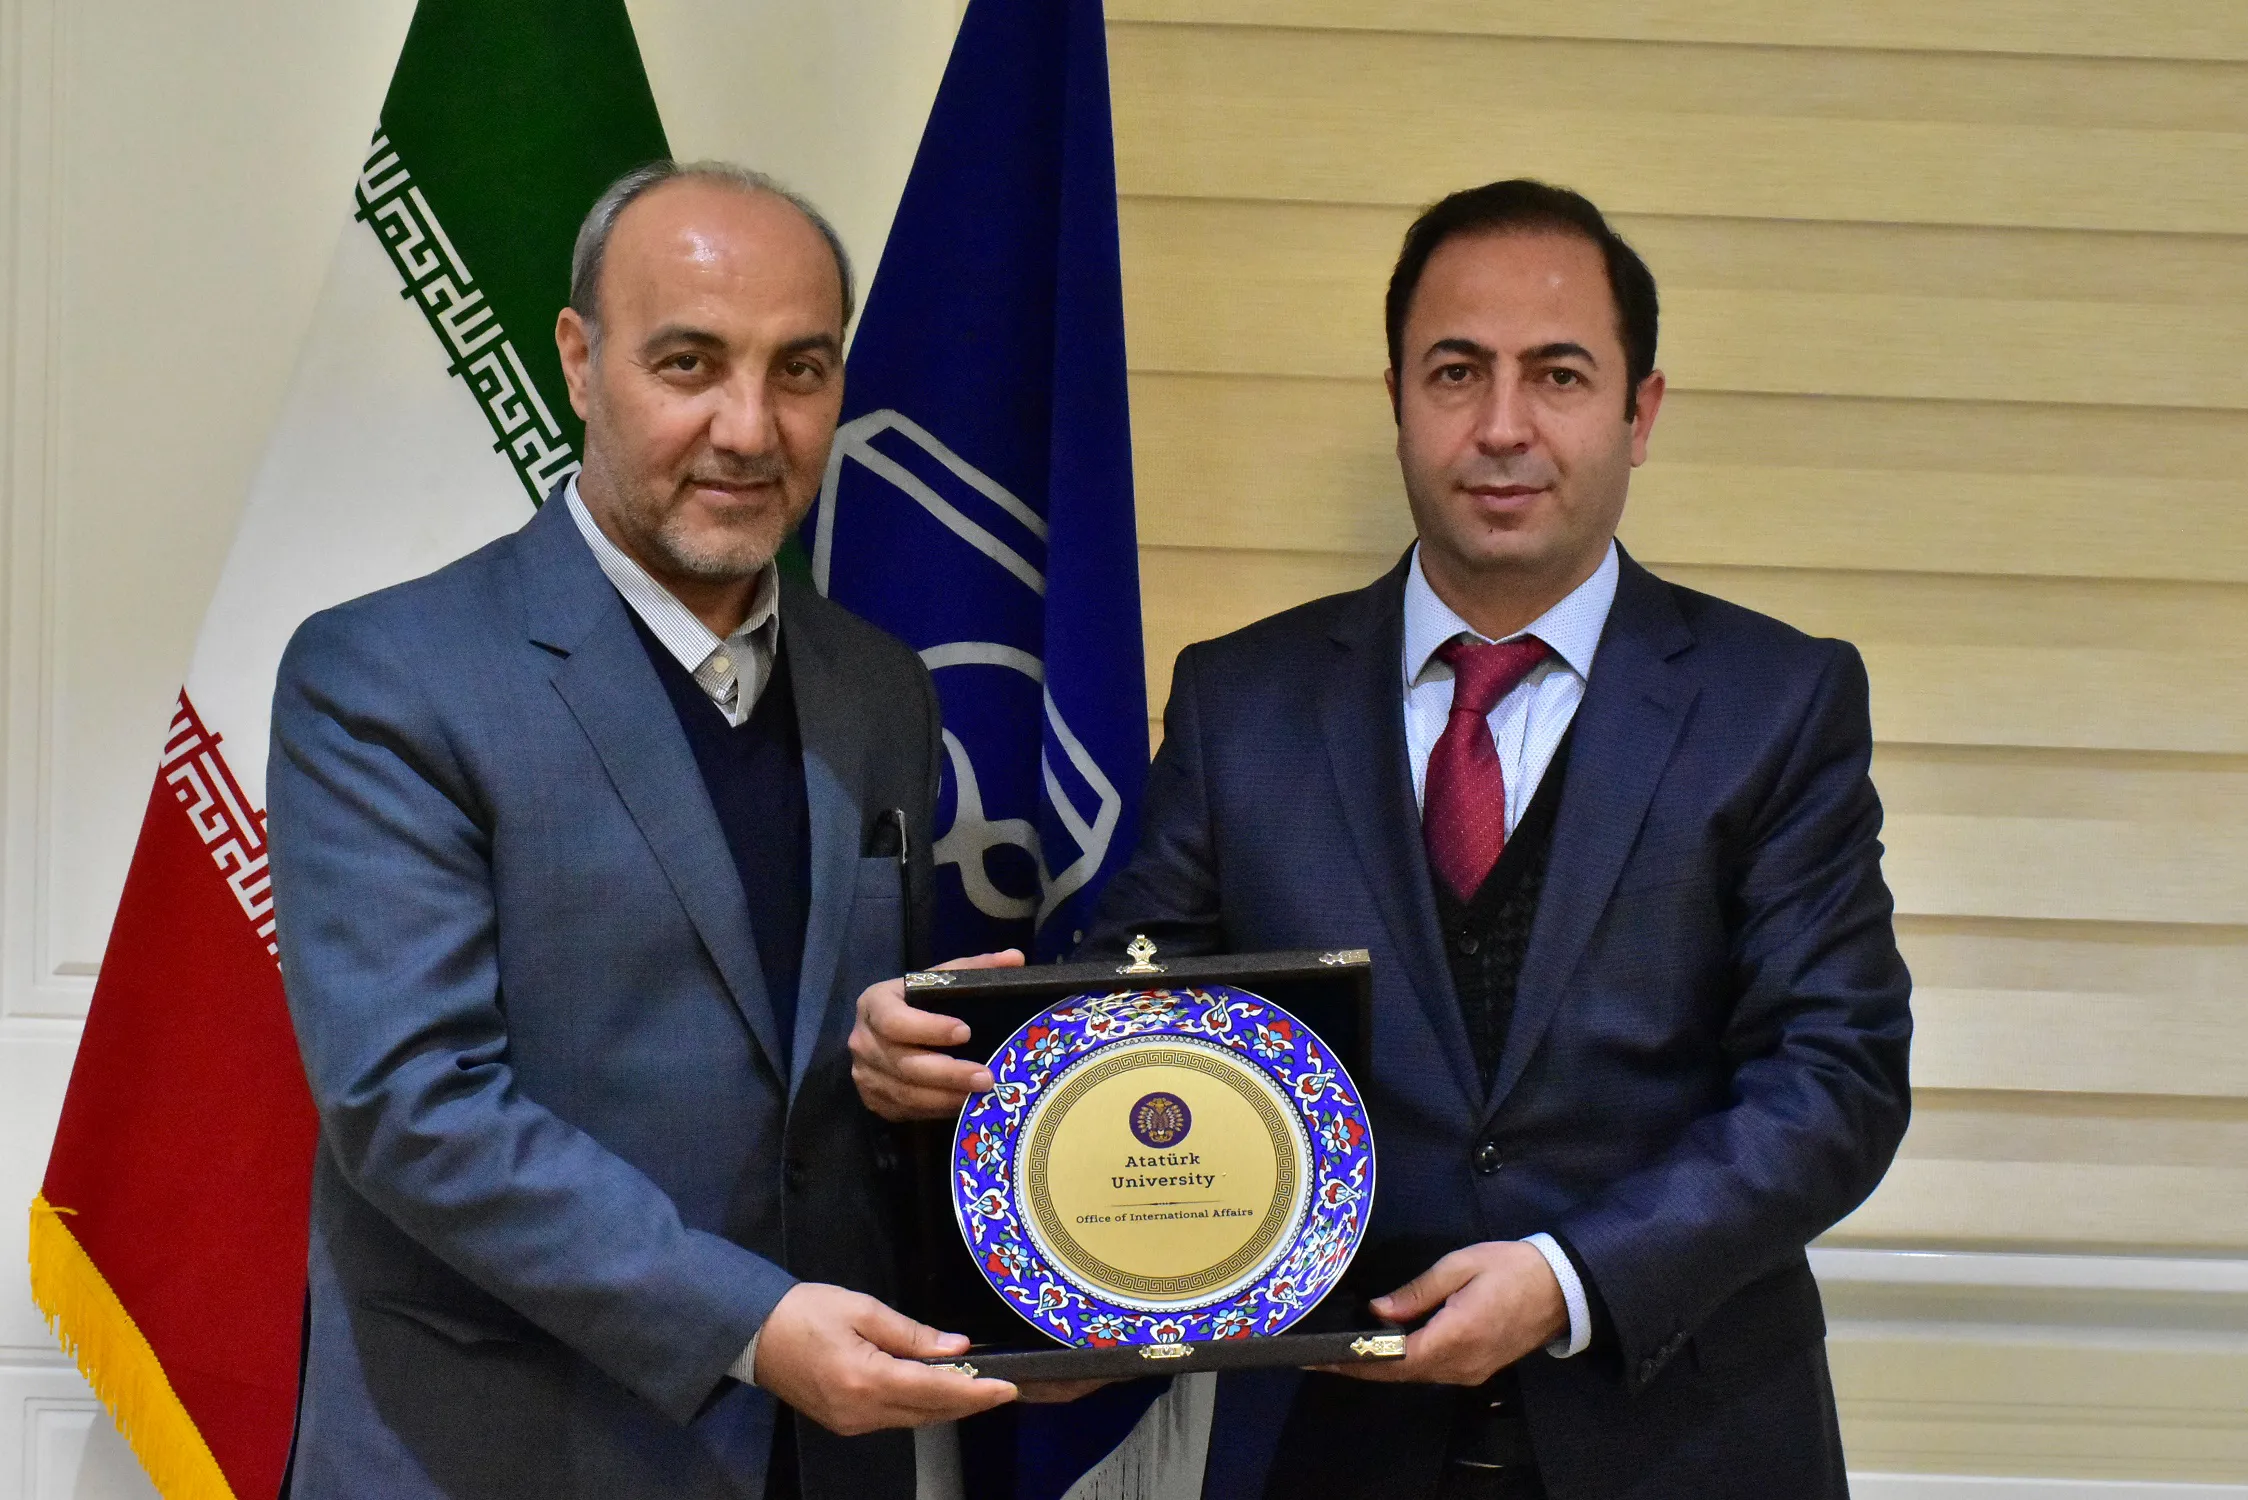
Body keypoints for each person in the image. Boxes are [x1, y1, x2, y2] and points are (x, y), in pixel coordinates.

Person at [850, 179, 1912, 1498]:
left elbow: (1837, 1077)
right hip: (1327, 1445)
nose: (1504, 426)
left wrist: (1567, 1280)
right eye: (1456, 373)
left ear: (1640, 413)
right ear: (1398, 399)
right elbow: (1134, 1023)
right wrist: (957, 1056)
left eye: (1559, 375)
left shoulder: (1778, 703)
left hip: (1685, 1441)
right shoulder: (1243, 702)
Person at [267, 160, 1019, 1500]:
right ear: (578, 359)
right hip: (503, 1455)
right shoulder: (385, 677)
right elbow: (414, 1106)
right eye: (689, 364)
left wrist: (907, 1078)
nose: (750, 428)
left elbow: (828, 1082)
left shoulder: (881, 688)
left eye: (801, 370)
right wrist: (751, 1327)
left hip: (821, 1460)